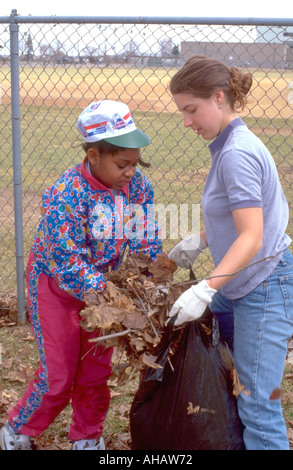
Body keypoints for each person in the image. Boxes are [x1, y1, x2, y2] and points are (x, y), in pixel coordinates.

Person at [0, 100, 162, 450]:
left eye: (136, 163)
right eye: (122, 164)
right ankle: (17, 431)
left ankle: (87, 438)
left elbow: (144, 237)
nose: (131, 172)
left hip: (104, 290)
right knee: (58, 376)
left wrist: (153, 274)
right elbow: (67, 262)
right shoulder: (66, 194)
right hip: (56, 288)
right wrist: (108, 293)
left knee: (95, 372)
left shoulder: (137, 187)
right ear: (93, 155)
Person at [168, 55, 293, 450]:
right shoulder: (227, 147)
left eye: (191, 109)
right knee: (237, 384)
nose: (186, 122)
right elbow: (239, 218)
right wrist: (202, 240)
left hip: (265, 284)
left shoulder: (236, 153)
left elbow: (252, 237)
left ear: (218, 97)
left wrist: (206, 287)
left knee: (258, 406)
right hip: (247, 284)